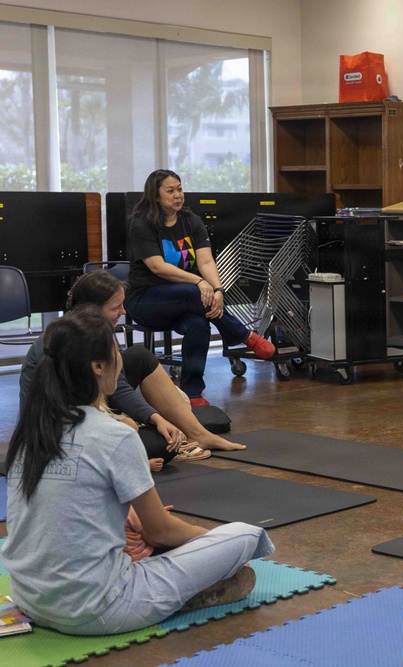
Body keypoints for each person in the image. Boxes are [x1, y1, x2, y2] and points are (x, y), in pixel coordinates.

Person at [0, 309, 274, 635]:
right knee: (245, 536)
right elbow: (159, 532)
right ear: (98, 366)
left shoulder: (30, 430)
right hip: (99, 610)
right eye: (115, 349)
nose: (121, 357)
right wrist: (211, 544)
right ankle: (186, 593)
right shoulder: (115, 436)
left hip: (29, 600)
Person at [19, 271, 246, 459]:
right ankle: (166, 437)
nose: (124, 312)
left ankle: (197, 432)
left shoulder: (99, 330)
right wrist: (118, 423)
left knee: (139, 356)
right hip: (58, 429)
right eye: (116, 307)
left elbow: (118, 385)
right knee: (161, 445)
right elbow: (66, 411)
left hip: (88, 411)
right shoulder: (65, 340)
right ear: (91, 309)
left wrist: (155, 418)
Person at [125, 169, 275, 405]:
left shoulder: (191, 221)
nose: (178, 195)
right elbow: (157, 267)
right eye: (170, 191)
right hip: (146, 300)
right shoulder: (142, 224)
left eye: (180, 189)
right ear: (156, 195)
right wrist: (198, 281)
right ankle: (243, 334)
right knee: (193, 291)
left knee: (199, 324)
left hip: (185, 301)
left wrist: (217, 290)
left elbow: (205, 261)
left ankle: (192, 393)